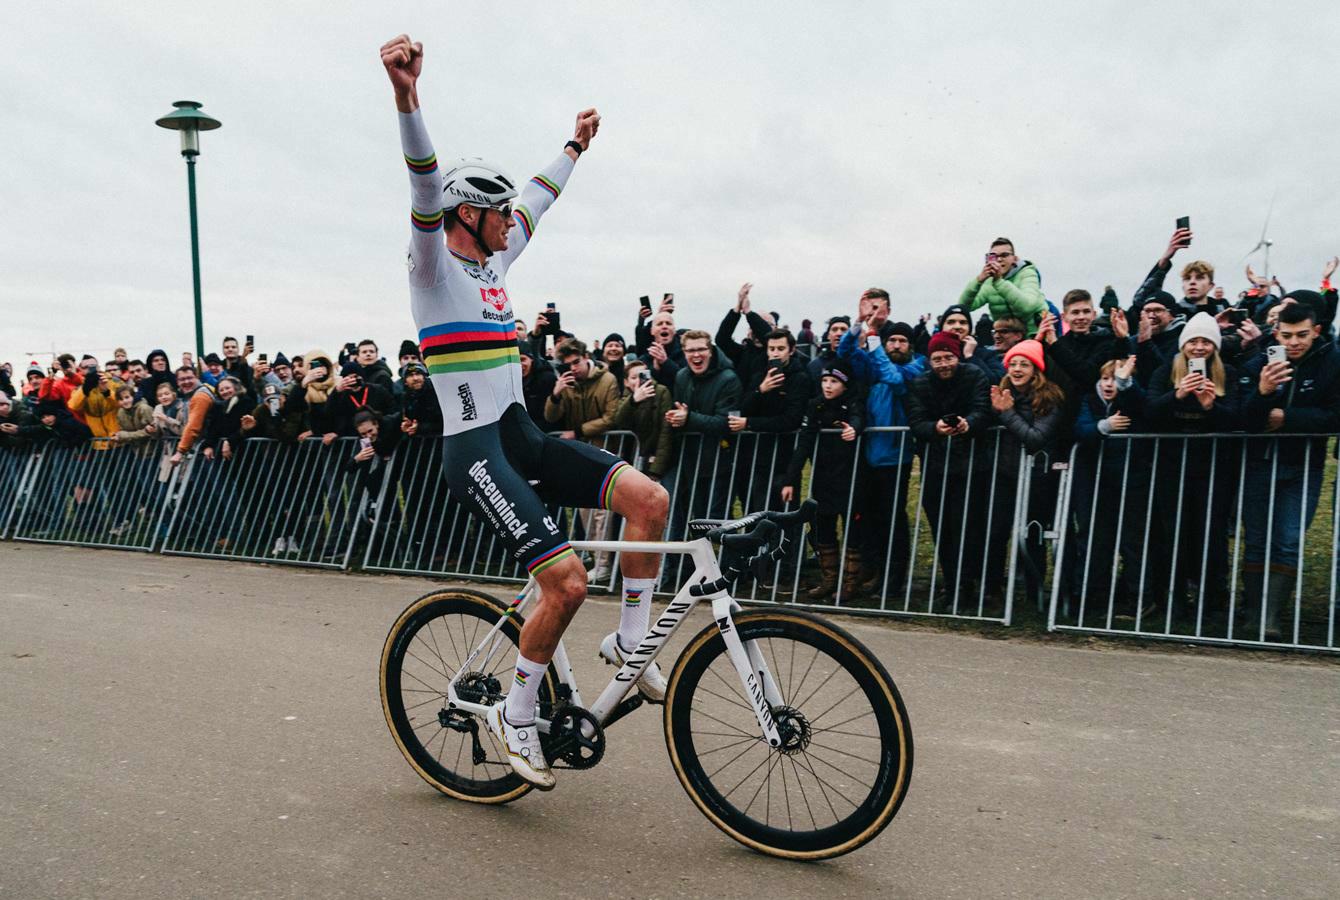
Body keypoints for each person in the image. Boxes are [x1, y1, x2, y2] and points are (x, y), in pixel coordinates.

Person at [382, 33, 667, 790]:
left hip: (524, 438)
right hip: (474, 450)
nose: (513, 219)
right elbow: (422, 187)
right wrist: (407, 97)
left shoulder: (496, 260)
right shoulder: (432, 268)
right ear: (468, 214)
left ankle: (632, 649)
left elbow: (540, 196)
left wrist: (574, 147)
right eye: (499, 211)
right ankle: (514, 717)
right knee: (568, 583)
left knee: (649, 499)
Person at [1241, 302, 1340, 640]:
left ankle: (1271, 617)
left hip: (1303, 467)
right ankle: (1253, 615)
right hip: (1258, 464)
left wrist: (1289, 419)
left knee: (1287, 540)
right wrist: (1263, 393)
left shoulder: (1331, 363)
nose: (1294, 342)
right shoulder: (1259, 362)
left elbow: (1334, 415)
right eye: (1287, 336)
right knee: (1256, 540)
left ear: (1315, 331)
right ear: (1275, 333)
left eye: (1301, 335)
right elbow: (1242, 417)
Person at [1144, 312, 1245, 632]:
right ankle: (1172, 599)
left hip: (1214, 469)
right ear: (1183, 344)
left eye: (1205, 341)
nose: (1198, 348)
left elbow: (1238, 420)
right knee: (1173, 532)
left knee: (1211, 535)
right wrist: (1177, 395)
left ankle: (1212, 600)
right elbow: (1147, 413)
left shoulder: (1227, 373)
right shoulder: (1166, 371)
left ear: (1214, 346)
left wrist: (1209, 406)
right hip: (1172, 468)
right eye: (1193, 341)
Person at [838, 311, 926, 597]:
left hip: (896, 458)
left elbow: (893, 378)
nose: (897, 345)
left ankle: (894, 578)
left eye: (902, 341)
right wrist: (859, 325)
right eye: (892, 341)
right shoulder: (874, 366)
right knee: (871, 517)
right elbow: (847, 352)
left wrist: (874, 337)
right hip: (869, 455)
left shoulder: (915, 368)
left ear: (910, 346)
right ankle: (875, 571)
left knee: (893, 520)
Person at [904, 332, 992, 606]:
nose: (943, 364)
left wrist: (969, 424)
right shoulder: (920, 383)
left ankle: (967, 585)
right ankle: (951, 584)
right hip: (937, 465)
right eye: (937, 359)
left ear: (957, 356)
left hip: (972, 465)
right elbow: (916, 420)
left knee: (968, 528)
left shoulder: (975, 375)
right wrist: (935, 428)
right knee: (942, 529)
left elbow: (984, 409)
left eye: (948, 357)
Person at [1067, 356, 1151, 621]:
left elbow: (1143, 406)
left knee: (1131, 540)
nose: (1109, 384)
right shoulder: (1088, 401)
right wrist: (1104, 427)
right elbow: (1080, 429)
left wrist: (1128, 385)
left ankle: (1139, 597)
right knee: (1093, 537)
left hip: (1129, 479)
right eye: (1105, 378)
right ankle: (1088, 596)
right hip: (1093, 479)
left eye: (1116, 379)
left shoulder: (1132, 401)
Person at [986, 339, 1066, 606]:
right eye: (1013, 364)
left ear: (1036, 369)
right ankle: (993, 590)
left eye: (1024, 364)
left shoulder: (1049, 398)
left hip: (1038, 478)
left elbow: (1036, 438)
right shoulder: (1001, 392)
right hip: (1006, 474)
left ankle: (1035, 592)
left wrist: (1007, 414)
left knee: (1033, 534)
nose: (1017, 369)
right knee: (997, 531)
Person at [779, 362, 863, 600]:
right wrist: (790, 480)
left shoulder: (853, 403)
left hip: (851, 478)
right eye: (825, 380)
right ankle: (829, 579)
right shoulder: (814, 405)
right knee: (823, 528)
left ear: (844, 386)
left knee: (853, 530)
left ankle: (850, 581)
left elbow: (859, 417)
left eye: (834, 382)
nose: (828, 385)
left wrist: (853, 429)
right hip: (823, 477)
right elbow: (804, 443)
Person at [545, 337, 622, 581]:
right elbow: (551, 417)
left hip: (604, 451)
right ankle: (594, 559)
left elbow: (612, 417)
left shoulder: (608, 380)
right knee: (583, 510)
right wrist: (556, 395)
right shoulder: (567, 385)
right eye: (568, 365)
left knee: (602, 512)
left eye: (576, 362)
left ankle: (604, 563)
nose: (574, 368)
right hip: (578, 454)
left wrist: (579, 431)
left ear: (586, 357)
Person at [664, 329, 741, 538]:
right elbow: (680, 413)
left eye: (701, 349)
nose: (696, 355)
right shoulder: (681, 376)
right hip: (691, 462)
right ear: (684, 352)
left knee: (718, 519)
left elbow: (725, 422)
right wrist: (675, 419)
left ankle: (726, 566)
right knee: (696, 520)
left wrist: (688, 419)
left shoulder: (728, 378)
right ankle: (699, 568)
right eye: (690, 351)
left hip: (721, 461)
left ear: (711, 350)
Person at [959, 237, 1046, 335]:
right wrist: (978, 281)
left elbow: (1027, 307)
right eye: (994, 256)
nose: (999, 259)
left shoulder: (1028, 273)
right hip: (1007, 338)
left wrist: (999, 282)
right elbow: (963, 307)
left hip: (1034, 334)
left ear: (1014, 259)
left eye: (1004, 255)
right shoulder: (989, 282)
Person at [610, 358, 673, 478]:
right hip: (633, 459)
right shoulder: (626, 397)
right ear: (626, 382)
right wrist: (634, 401)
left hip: (654, 458)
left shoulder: (661, 392)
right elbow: (618, 421)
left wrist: (656, 469)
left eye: (642, 375)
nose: (639, 381)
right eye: (634, 378)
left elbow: (665, 432)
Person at [715, 282, 774, 392]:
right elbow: (721, 340)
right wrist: (737, 308)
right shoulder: (742, 353)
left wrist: (749, 312)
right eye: (752, 327)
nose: (756, 331)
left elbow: (769, 338)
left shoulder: (777, 353)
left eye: (767, 324)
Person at [806, 315, 850, 391]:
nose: (839, 333)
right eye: (834, 329)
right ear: (829, 335)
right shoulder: (815, 366)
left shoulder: (859, 362)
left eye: (843, 330)